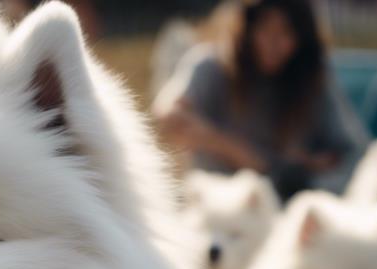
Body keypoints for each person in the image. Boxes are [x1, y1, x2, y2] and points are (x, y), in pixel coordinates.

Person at [155, 0, 366, 201]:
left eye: (286, 32)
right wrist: (242, 154)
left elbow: (354, 153)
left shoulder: (312, 79)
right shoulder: (212, 66)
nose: (274, 43)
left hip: (285, 206)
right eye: (266, 30)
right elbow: (169, 117)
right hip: (219, 205)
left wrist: (306, 179)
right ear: (246, 28)